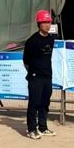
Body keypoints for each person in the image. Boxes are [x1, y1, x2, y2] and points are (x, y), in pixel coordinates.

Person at [23, 9, 57, 140]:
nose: (48, 25)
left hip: (47, 76)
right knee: (34, 103)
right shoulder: (32, 41)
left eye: (49, 22)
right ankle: (31, 129)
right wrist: (33, 73)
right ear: (39, 24)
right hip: (35, 77)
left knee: (44, 103)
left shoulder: (51, 39)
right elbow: (26, 60)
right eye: (45, 22)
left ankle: (42, 127)